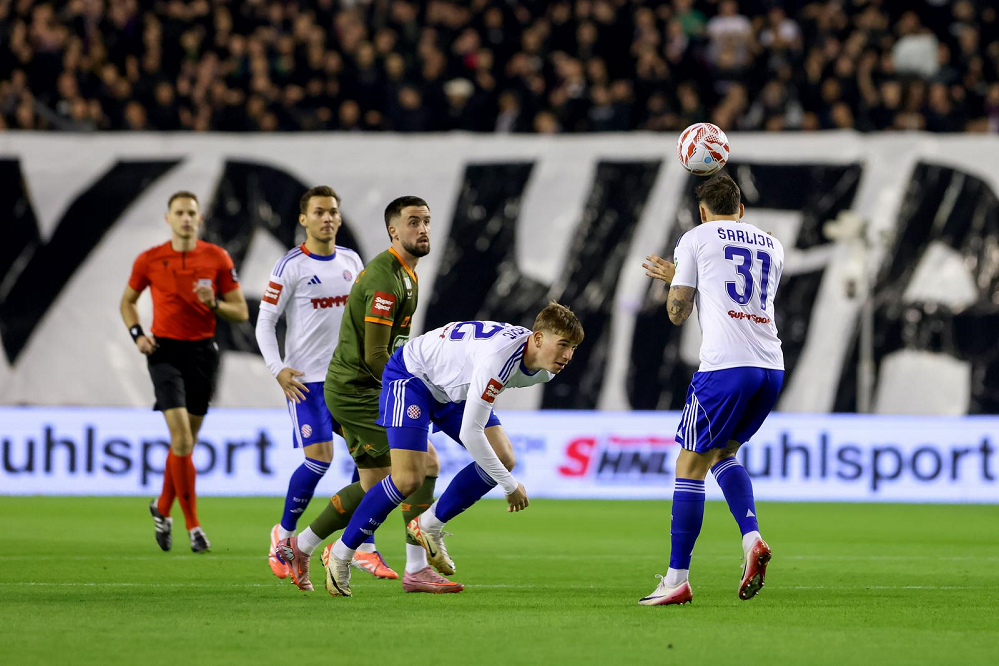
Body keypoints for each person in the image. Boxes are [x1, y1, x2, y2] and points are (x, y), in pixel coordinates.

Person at [318, 303, 584, 597]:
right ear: (538, 338)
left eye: (573, 347)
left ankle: (428, 524)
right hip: (413, 377)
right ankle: (340, 553)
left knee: (504, 457)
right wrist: (510, 486)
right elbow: (471, 433)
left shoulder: (544, 369)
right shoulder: (499, 359)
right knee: (407, 479)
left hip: (451, 390)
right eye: (563, 345)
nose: (568, 356)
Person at [276, 196, 447, 593]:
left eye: (426, 221)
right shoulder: (386, 279)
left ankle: (300, 547)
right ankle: (416, 567)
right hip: (358, 391)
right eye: (413, 222)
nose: (423, 229)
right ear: (393, 231)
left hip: (359, 387)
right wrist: (413, 393)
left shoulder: (406, 272)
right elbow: (374, 356)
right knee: (422, 465)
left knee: (374, 483)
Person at [638, 173, 784, 606]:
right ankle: (751, 538)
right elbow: (737, 295)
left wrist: (678, 280)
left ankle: (676, 579)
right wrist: (690, 274)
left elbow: (677, 312)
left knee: (689, 467)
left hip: (725, 368)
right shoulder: (772, 244)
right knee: (723, 455)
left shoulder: (696, 237)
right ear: (741, 209)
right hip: (770, 368)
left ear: (702, 212)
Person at [254, 186, 397, 581]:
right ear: (304, 219)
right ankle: (284, 535)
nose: (328, 218)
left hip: (349, 379)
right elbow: (265, 321)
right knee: (319, 459)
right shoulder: (290, 266)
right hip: (307, 382)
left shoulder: (352, 260)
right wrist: (278, 369)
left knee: (374, 462)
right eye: (319, 212)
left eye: (332, 211)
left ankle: (363, 546)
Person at [120, 191, 249, 553]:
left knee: (186, 443)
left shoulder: (217, 257)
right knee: (180, 439)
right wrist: (137, 335)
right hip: (163, 352)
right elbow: (127, 302)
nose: (186, 218)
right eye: (180, 212)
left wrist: (215, 303)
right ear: (168, 218)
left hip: (202, 354)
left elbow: (240, 311)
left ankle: (162, 508)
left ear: (200, 218)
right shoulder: (149, 259)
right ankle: (193, 527)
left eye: (192, 212)